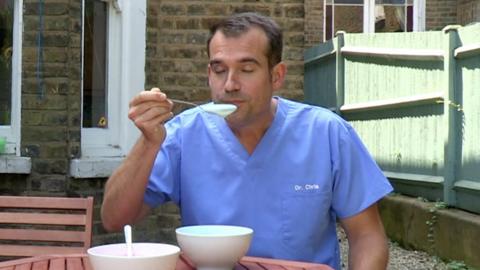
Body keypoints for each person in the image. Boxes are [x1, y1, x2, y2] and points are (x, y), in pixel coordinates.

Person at [101, 12, 393, 270]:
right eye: (219, 69)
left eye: (247, 69)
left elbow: (367, 236)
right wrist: (148, 143)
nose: (229, 85)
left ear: (276, 76)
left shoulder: (327, 134)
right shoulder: (181, 135)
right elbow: (114, 218)